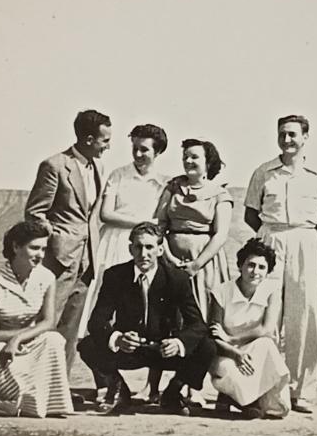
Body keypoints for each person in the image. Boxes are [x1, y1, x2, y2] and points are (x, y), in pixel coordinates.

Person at [243, 114, 317, 414]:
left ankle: (302, 391)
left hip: (304, 241)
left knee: (304, 316)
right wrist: (271, 238)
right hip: (270, 240)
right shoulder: (263, 172)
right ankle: (265, 389)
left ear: (305, 137)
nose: (287, 140)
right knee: (264, 313)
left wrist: (302, 237)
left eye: (293, 134)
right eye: (282, 134)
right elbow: (250, 214)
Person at [76, 222, 216, 415]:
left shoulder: (177, 279)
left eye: (149, 247)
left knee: (207, 347)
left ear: (160, 250)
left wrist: (178, 343)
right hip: (130, 349)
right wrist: (118, 338)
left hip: (164, 350)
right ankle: (118, 388)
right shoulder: (115, 276)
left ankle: (173, 393)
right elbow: (97, 321)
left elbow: (198, 324)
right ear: (130, 249)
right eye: (138, 247)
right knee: (87, 345)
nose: (143, 254)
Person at [78, 123, 170, 403]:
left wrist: (150, 232)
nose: (138, 154)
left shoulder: (164, 183)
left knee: (152, 310)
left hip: (146, 247)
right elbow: (106, 213)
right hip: (115, 244)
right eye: (135, 148)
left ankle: (152, 388)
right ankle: (107, 383)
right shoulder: (118, 175)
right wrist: (143, 224)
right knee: (103, 312)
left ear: (157, 152)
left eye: (145, 150)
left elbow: (162, 221)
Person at [0, 220, 73, 417]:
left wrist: (18, 339)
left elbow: (48, 322)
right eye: (34, 248)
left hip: (26, 340)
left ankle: (44, 405)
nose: (40, 255)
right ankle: (9, 397)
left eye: (44, 249)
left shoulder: (46, 277)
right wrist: (12, 341)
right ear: (16, 247)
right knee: (7, 367)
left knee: (53, 339)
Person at [24, 109, 112, 373]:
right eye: (105, 140)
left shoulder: (98, 167)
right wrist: (57, 239)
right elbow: (35, 212)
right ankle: (31, 379)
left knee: (71, 327)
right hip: (59, 259)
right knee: (46, 321)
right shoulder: (54, 165)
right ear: (88, 139)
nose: (108, 146)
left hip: (87, 259)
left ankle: (58, 382)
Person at [208, 238, 291, 419]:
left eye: (262, 267)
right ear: (240, 266)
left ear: (268, 271)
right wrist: (234, 352)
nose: (255, 272)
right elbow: (214, 336)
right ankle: (239, 399)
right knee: (224, 369)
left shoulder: (272, 291)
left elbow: (266, 329)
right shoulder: (221, 292)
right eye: (251, 265)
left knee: (278, 409)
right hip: (226, 352)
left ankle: (242, 398)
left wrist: (232, 338)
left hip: (255, 352)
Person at [155, 138, 233, 320]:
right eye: (185, 157)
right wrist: (170, 259)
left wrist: (196, 265)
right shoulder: (172, 188)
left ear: (208, 162)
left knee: (201, 308)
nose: (188, 161)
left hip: (204, 261)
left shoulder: (220, 194)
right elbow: (160, 226)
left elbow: (221, 235)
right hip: (170, 258)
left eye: (194, 157)